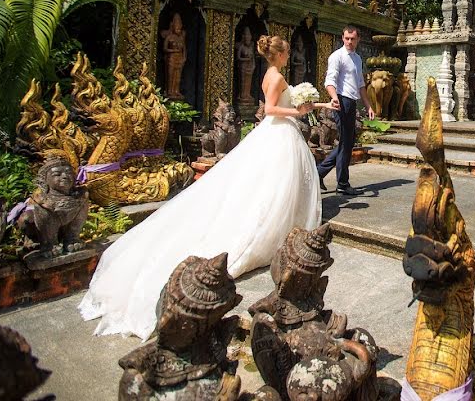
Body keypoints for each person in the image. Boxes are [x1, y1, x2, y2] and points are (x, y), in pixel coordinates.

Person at [79, 35, 330, 340]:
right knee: (273, 189)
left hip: (276, 135)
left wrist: (317, 103)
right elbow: (274, 109)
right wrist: (298, 113)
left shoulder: (271, 74)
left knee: (273, 188)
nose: (290, 56)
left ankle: (281, 229)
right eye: (287, 52)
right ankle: (269, 233)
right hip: (278, 133)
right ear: (278, 54)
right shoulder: (275, 77)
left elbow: (287, 103)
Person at [317, 25, 375, 196]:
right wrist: (334, 97)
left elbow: (361, 85)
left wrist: (368, 106)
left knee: (347, 143)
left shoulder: (357, 59)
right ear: (342, 38)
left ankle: (318, 173)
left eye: (353, 39)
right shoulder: (337, 57)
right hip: (341, 101)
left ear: (358, 40)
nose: (349, 41)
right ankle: (342, 183)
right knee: (345, 143)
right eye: (347, 38)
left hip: (352, 102)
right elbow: (329, 81)